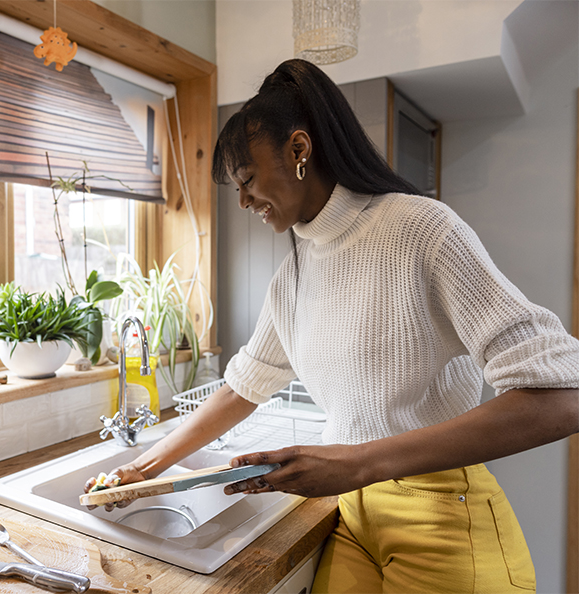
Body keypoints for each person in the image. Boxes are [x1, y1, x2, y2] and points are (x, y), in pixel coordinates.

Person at [84, 59, 579, 592]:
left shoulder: (422, 231)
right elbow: (243, 388)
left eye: (247, 180)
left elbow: (562, 395)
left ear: (299, 151)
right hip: (352, 517)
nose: (244, 200)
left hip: (441, 516)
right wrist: (147, 466)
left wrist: (358, 463)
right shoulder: (295, 271)